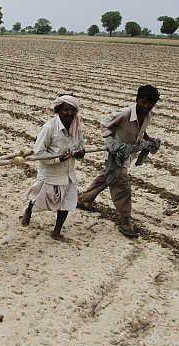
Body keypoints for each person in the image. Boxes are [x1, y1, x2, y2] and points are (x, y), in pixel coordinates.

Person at [77, 85, 161, 238]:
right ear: (137, 99)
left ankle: (84, 199)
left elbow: (140, 130)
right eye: (143, 102)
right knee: (121, 185)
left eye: (150, 103)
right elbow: (104, 124)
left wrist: (149, 140)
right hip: (115, 153)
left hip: (127, 153)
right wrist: (111, 142)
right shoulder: (125, 113)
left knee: (108, 177)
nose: (146, 106)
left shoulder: (148, 116)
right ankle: (125, 220)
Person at [21, 95, 85, 240]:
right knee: (38, 196)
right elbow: (39, 152)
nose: (69, 113)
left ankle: (56, 231)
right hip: (50, 172)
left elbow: (80, 146)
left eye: (72, 110)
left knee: (67, 202)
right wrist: (58, 159)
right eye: (65, 110)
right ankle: (28, 211)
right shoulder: (49, 127)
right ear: (58, 110)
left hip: (68, 172)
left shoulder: (77, 126)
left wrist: (80, 153)